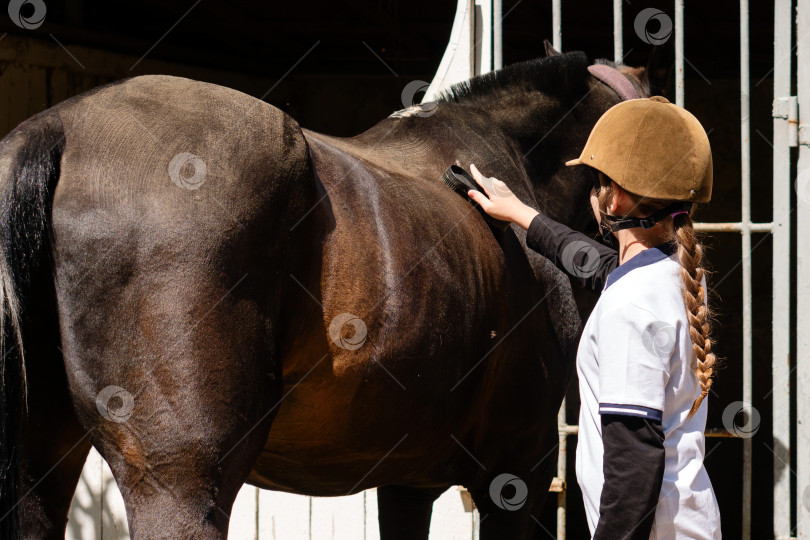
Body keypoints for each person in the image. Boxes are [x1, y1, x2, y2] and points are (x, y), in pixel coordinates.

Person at [467, 96, 721, 539]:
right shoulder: (675, 271)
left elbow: (634, 466)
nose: (594, 190)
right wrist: (520, 213)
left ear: (616, 198)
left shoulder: (630, 308)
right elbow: (597, 265)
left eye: (599, 179)